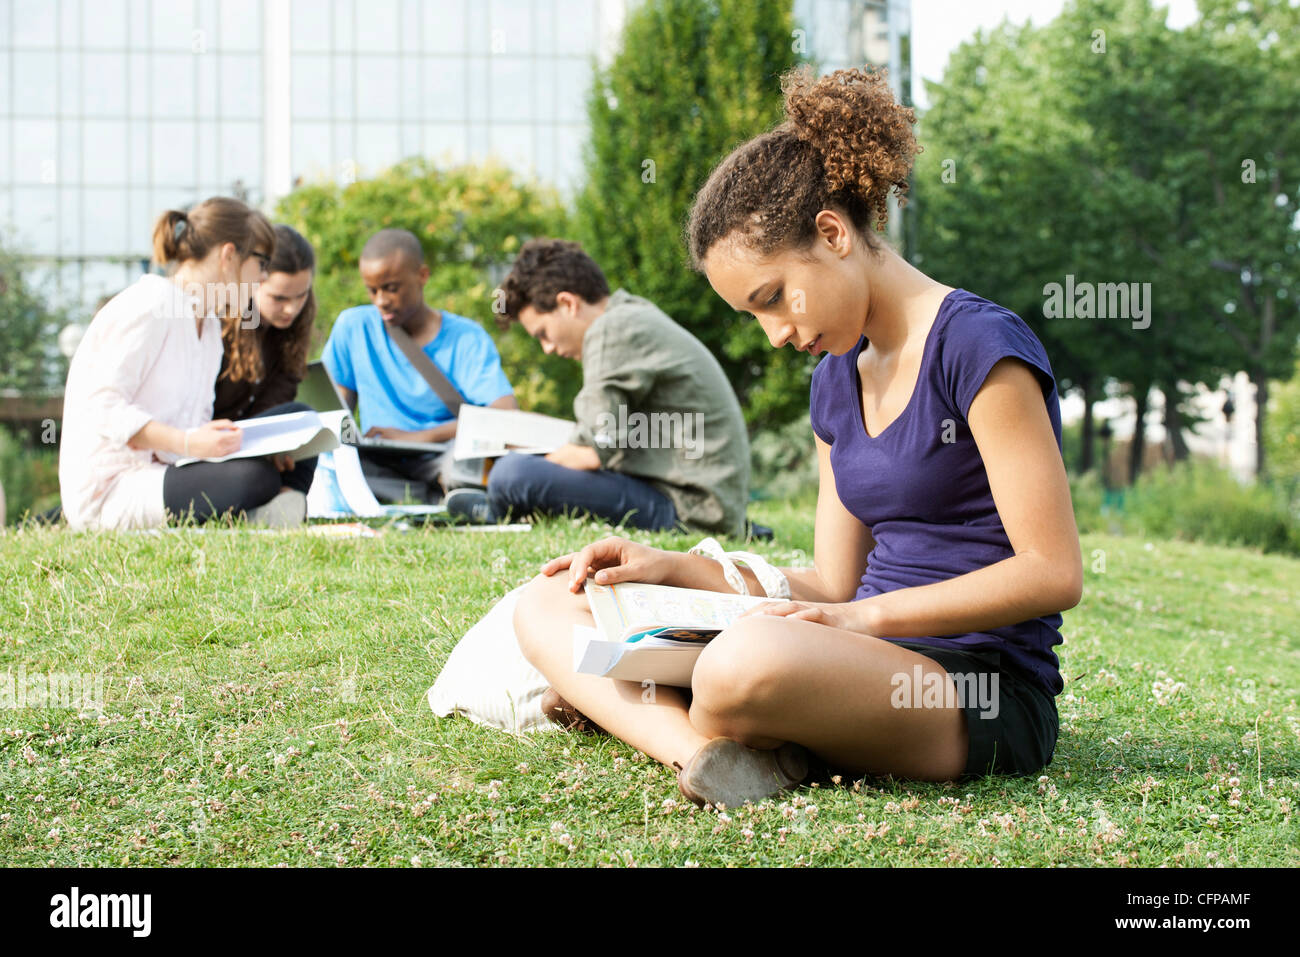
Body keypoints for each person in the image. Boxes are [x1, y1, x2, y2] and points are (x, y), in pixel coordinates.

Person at [512, 67, 1082, 809]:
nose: (776, 334)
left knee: (742, 662)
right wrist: (683, 568)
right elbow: (828, 583)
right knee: (546, 601)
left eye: (773, 299)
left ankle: (649, 714)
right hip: (846, 653)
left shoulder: (979, 346)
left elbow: (1051, 572)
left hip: (972, 682)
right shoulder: (834, 379)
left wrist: (861, 619)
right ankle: (704, 753)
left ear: (834, 233)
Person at [446, 239, 750, 537]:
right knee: (522, 470)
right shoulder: (629, 315)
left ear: (567, 303)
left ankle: (493, 506)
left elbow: (590, 450)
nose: (547, 348)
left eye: (543, 333)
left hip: (691, 510)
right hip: (706, 503)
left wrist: (533, 469)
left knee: (511, 474)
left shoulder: (610, 329)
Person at [59, 197, 295, 530]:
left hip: (169, 470)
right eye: (261, 261)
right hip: (114, 488)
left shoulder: (210, 326)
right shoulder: (150, 306)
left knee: (296, 421)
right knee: (256, 477)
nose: (264, 275)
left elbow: (193, 426)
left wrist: (210, 442)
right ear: (229, 256)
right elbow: (102, 407)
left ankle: (269, 510)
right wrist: (188, 443)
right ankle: (266, 511)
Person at [321, 228, 518, 503]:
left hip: (444, 452)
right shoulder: (353, 327)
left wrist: (420, 437)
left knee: (464, 467)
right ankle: (427, 498)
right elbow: (336, 407)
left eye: (391, 288)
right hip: (378, 457)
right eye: (372, 290)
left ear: (422, 276)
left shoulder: (466, 337)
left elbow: (504, 413)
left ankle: (441, 496)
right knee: (333, 465)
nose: (381, 300)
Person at [213, 224, 320, 506]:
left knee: (302, 422)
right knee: (255, 480)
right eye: (279, 298)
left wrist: (273, 443)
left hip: (252, 441)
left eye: (301, 296)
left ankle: (288, 504)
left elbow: (277, 400)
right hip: (210, 443)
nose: (292, 309)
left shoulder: (295, 327)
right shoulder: (217, 323)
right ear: (253, 280)